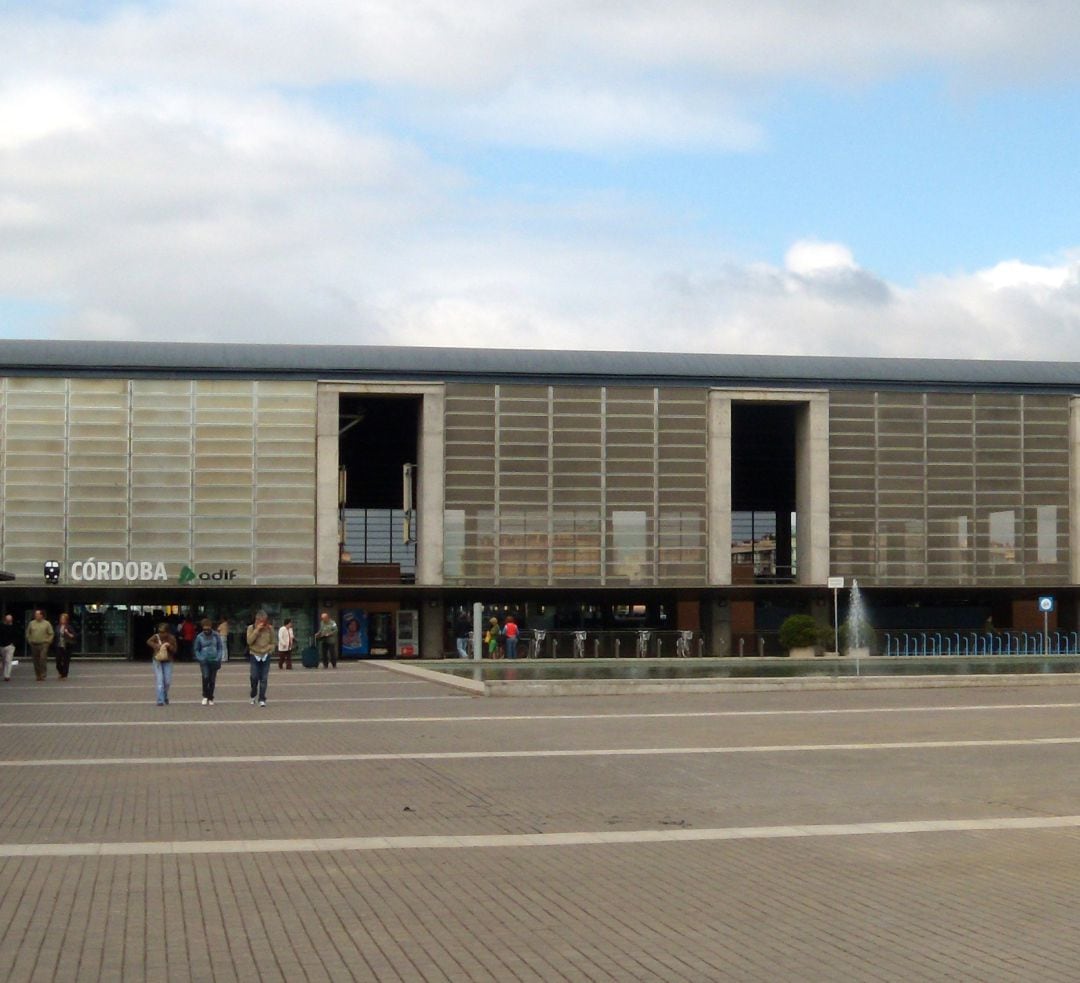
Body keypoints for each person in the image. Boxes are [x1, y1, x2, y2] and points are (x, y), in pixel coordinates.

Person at [246, 610, 274, 706]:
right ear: (257, 620)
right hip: (255, 654)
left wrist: (270, 649)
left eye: (265, 621)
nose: (264, 623)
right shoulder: (251, 628)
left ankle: (262, 698)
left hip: (266, 655)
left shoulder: (270, 629)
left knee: (264, 678)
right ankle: (253, 694)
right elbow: (249, 641)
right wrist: (257, 630)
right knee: (254, 677)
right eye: (261, 621)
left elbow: (273, 641)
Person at [194, 618, 224, 705]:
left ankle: (211, 697)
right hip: (204, 660)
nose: (206, 631)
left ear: (211, 627)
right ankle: (205, 696)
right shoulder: (199, 637)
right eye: (204, 629)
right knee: (205, 677)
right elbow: (196, 649)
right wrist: (200, 658)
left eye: (208, 629)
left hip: (214, 659)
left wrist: (218, 657)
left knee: (212, 679)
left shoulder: (216, 635)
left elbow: (220, 647)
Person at [147, 623, 177, 706]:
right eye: (160, 632)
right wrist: (157, 646)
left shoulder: (172, 638)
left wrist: (169, 646)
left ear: (167, 632)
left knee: (167, 681)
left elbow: (175, 650)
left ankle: (165, 696)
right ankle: (160, 700)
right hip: (158, 660)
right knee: (160, 680)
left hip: (168, 660)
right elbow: (148, 641)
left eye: (163, 632)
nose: (161, 634)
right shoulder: (156, 637)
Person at [26, 609, 54, 682]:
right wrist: (29, 640)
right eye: (35, 614)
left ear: (41, 615)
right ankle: (38, 675)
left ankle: (43, 674)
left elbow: (51, 633)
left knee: (42, 659)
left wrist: (48, 641)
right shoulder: (31, 623)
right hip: (34, 644)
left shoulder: (47, 623)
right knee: (36, 660)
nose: (36, 616)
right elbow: (28, 633)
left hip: (43, 644)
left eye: (38, 614)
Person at [54, 612, 77, 680]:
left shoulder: (69, 627)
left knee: (66, 661)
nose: (62, 620)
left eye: (63, 619)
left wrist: (67, 633)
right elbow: (55, 635)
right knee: (58, 661)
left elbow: (73, 636)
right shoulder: (57, 627)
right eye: (61, 618)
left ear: (66, 620)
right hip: (59, 645)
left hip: (67, 645)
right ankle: (61, 671)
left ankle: (64, 675)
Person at [0, 613, 19, 681]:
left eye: (9, 620)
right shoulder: (1, 626)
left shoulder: (14, 627)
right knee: (4, 660)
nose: (8, 621)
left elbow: (17, 635)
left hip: (10, 646)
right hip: (2, 646)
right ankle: (5, 673)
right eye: (7, 620)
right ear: (5, 620)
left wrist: (13, 644)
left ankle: (7, 675)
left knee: (8, 660)